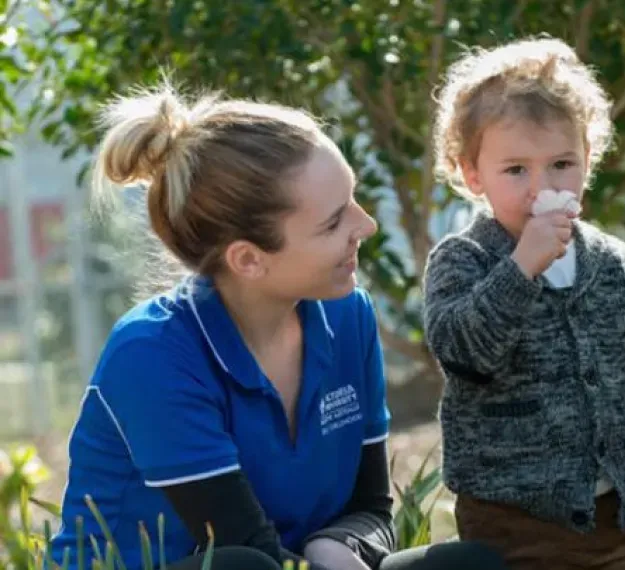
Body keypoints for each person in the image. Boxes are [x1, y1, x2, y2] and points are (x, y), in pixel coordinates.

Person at [48, 83, 505, 570]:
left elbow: (370, 508)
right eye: (333, 223)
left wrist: (341, 548)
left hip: (293, 563)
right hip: (221, 564)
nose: (365, 225)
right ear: (248, 259)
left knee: (468, 563)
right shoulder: (151, 353)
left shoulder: (350, 315)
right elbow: (242, 546)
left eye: (352, 199)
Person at [421, 37, 625, 570]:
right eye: (515, 170)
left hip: (619, 518)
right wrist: (521, 268)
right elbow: (464, 351)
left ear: (588, 159)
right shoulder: (464, 259)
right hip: (511, 519)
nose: (542, 187)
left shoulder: (616, 266)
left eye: (561, 163)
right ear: (473, 175)